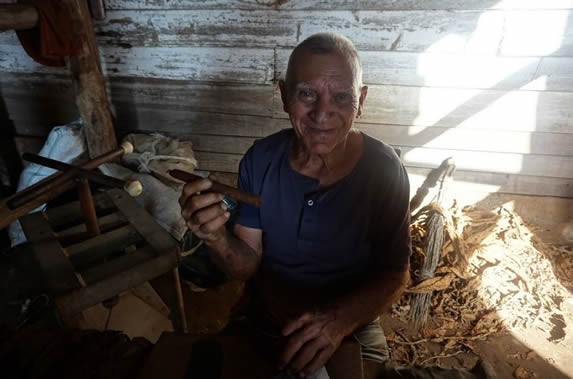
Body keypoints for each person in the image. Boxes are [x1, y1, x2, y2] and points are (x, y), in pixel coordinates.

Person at [179, 32, 411, 377]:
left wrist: (339, 320)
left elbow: (395, 274)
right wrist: (215, 238)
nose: (323, 113)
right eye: (307, 94)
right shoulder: (260, 160)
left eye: (341, 97)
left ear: (360, 101)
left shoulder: (384, 170)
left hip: (352, 323)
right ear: (284, 94)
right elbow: (246, 265)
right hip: (267, 316)